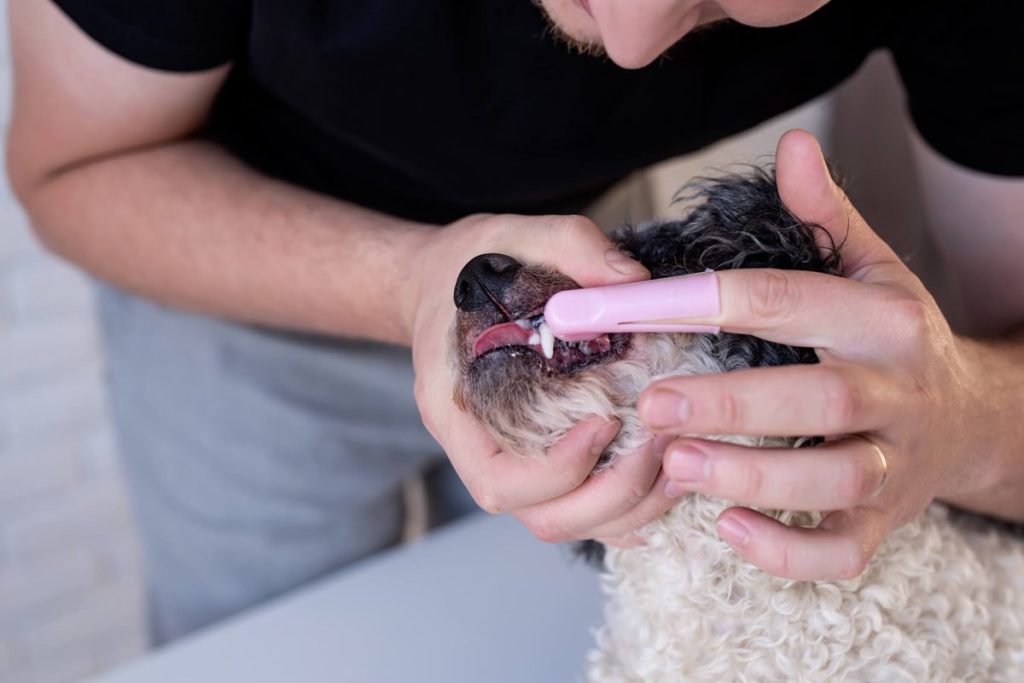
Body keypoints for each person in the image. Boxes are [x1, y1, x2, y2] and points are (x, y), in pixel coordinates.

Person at [7, 0, 1023, 644]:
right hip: (234, 291)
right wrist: (403, 279)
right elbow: (70, 167)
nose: (630, 40)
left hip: (590, 290)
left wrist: (965, 413)